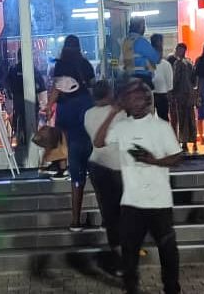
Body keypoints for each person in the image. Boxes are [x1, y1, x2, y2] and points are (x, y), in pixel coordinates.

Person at [106, 80, 183, 294]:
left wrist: (154, 161)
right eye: (129, 97)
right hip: (131, 201)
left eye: (137, 97)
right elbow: (99, 141)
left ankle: (171, 288)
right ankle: (131, 288)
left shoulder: (161, 127)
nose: (133, 101)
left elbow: (177, 157)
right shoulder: (122, 127)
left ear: (147, 100)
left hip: (159, 201)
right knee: (129, 252)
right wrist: (113, 112)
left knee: (167, 249)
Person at [47, 35, 95, 232]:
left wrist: (49, 106)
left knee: (64, 136)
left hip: (65, 107)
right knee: (82, 140)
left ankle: (62, 166)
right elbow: (92, 85)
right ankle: (82, 165)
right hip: (83, 107)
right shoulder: (85, 64)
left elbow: (56, 88)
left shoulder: (60, 65)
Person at [85, 80, 127, 276]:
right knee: (122, 212)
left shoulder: (88, 114)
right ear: (110, 93)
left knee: (109, 213)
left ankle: (118, 257)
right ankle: (124, 257)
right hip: (117, 166)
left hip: (97, 165)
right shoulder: (120, 113)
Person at [6, 48, 47, 145]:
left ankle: (20, 145)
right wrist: (44, 106)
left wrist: (9, 107)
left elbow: (7, 88)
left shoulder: (13, 70)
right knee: (32, 132)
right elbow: (41, 89)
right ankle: (31, 148)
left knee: (18, 130)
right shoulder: (33, 71)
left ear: (18, 57)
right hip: (32, 106)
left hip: (18, 106)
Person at [121, 16, 160, 89]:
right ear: (140, 26)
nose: (144, 28)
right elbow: (156, 58)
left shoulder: (125, 41)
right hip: (142, 78)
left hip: (128, 77)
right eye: (143, 26)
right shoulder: (141, 41)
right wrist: (157, 46)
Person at [172, 43, 197, 153]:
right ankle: (194, 142)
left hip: (181, 95)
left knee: (182, 119)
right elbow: (194, 79)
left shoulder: (178, 63)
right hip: (189, 94)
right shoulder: (189, 62)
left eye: (178, 49)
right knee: (191, 118)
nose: (177, 51)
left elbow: (175, 80)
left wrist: (172, 92)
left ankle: (184, 142)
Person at [151, 34, 173, 121]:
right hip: (150, 95)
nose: (159, 52)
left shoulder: (166, 65)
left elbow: (169, 85)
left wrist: (169, 96)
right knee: (150, 119)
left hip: (162, 95)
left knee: (163, 119)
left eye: (160, 49)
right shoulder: (147, 63)